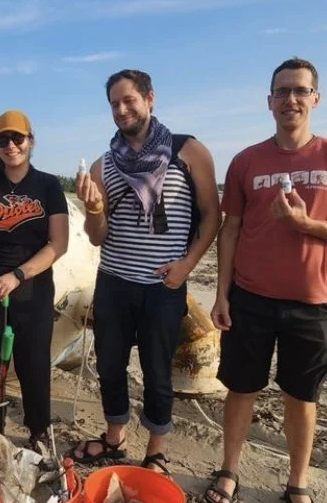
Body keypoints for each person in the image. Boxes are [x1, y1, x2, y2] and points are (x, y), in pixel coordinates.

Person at [204, 58, 327, 503]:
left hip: (312, 302)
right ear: (269, 101)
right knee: (241, 388)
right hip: (250, 297)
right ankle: (229, 469)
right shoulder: (246, 161)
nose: (290, 99)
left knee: (302, 396)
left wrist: (308, 226)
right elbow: (229, 229)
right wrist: (221, 294)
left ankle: (297, 485)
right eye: (281, 91)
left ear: (315, 98)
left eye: (300, 90)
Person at [72, 70, 221, 473]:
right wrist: (93, 209)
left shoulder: (188, 151)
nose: (121, 110)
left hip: (163, 284)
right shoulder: (105, 166)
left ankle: (155, 450)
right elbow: (97, 236)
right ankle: (115, 438)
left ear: (149, 99)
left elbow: (212, 217)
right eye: (114, 104)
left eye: (129, 100)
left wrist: (187, 266)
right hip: (115, 281)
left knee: (158, 371)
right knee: (109, 365)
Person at [0, 110, 69, 447]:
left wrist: (18, 275)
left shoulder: (49, 185)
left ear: (30, 140)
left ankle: (38, 432)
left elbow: (59, 243)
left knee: (34, 363)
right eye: (2, 139)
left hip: (32, 285)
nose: (10, 145)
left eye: (17, 138)